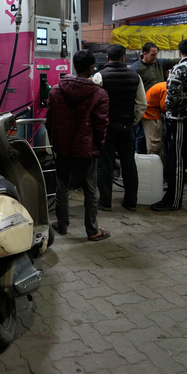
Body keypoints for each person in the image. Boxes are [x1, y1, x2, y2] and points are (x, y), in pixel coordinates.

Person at [47, 50, 111, 241]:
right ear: (91, 67)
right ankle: (92, 230)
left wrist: (55, 141)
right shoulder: (99, 94)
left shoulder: (56, 90)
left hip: (63, 145)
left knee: (62, 185)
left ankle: (62, 225)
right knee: (90, 188)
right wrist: (98, 146)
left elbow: (49, 121)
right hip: (86, 146)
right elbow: (101, 125)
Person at [151, 38, 187, 211]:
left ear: (179, 53)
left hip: (180, 121)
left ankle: (174, 201)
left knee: (176, 162)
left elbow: (172, 97)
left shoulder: (177, 69)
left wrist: (171, 112)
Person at [96, 45, 147, 212]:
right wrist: (133, 121)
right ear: (124, 58)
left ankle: (105, 202)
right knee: (129, 164)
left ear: (108, 58)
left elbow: (94, 103)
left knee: (105, 164)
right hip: (127, 126)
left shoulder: (100, 75)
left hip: (106, 126)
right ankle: (131, 202)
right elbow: (142, 104)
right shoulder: (135, 76)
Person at [130, 42, 169, 153]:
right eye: (153, 54)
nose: (155, 57)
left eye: (156, 54)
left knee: (160, 135)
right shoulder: (136, 68)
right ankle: (141, 158)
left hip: (158, 106)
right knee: (141, 135)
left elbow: (175, 61)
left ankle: (154, 159)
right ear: (145, 54)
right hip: (143, 107)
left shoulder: (160, 63)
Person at [142, 80, 167, 156]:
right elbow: (164, 107)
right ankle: (152, 160)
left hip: (148, 110)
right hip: (151, 113)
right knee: (154, 142)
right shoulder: (167, 89)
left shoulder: (165, 85)